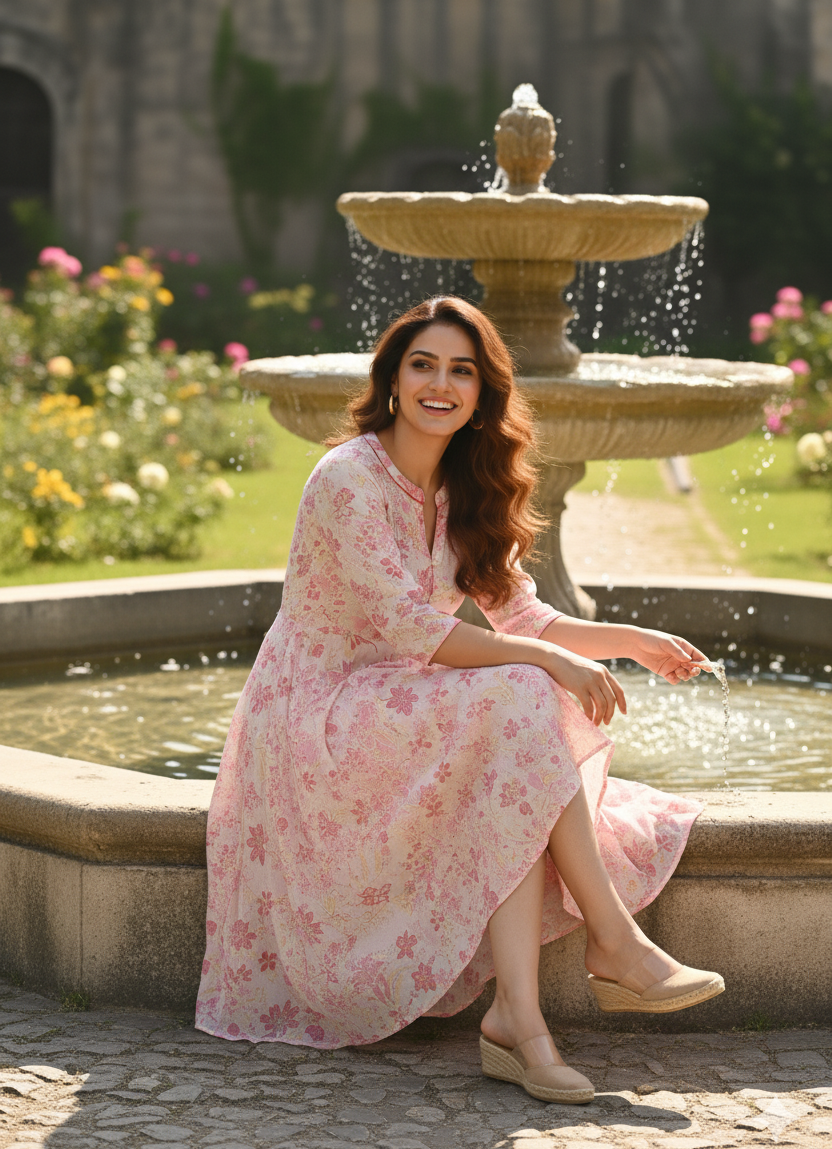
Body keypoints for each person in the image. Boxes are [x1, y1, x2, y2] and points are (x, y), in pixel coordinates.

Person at [195, 296, 723, 1103]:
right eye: (423, 365)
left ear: (481, 394)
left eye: (461, 371)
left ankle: (521, 1021)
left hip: (396, 701)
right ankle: (611, 944)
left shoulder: (463, 487)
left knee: (513, 736)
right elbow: (410, 627)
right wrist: (546, 660)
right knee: (519, 695)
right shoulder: (348, 478)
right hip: (318, 713)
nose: (440, 384)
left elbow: (525, 618)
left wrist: (632, 641)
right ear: (393, 380)